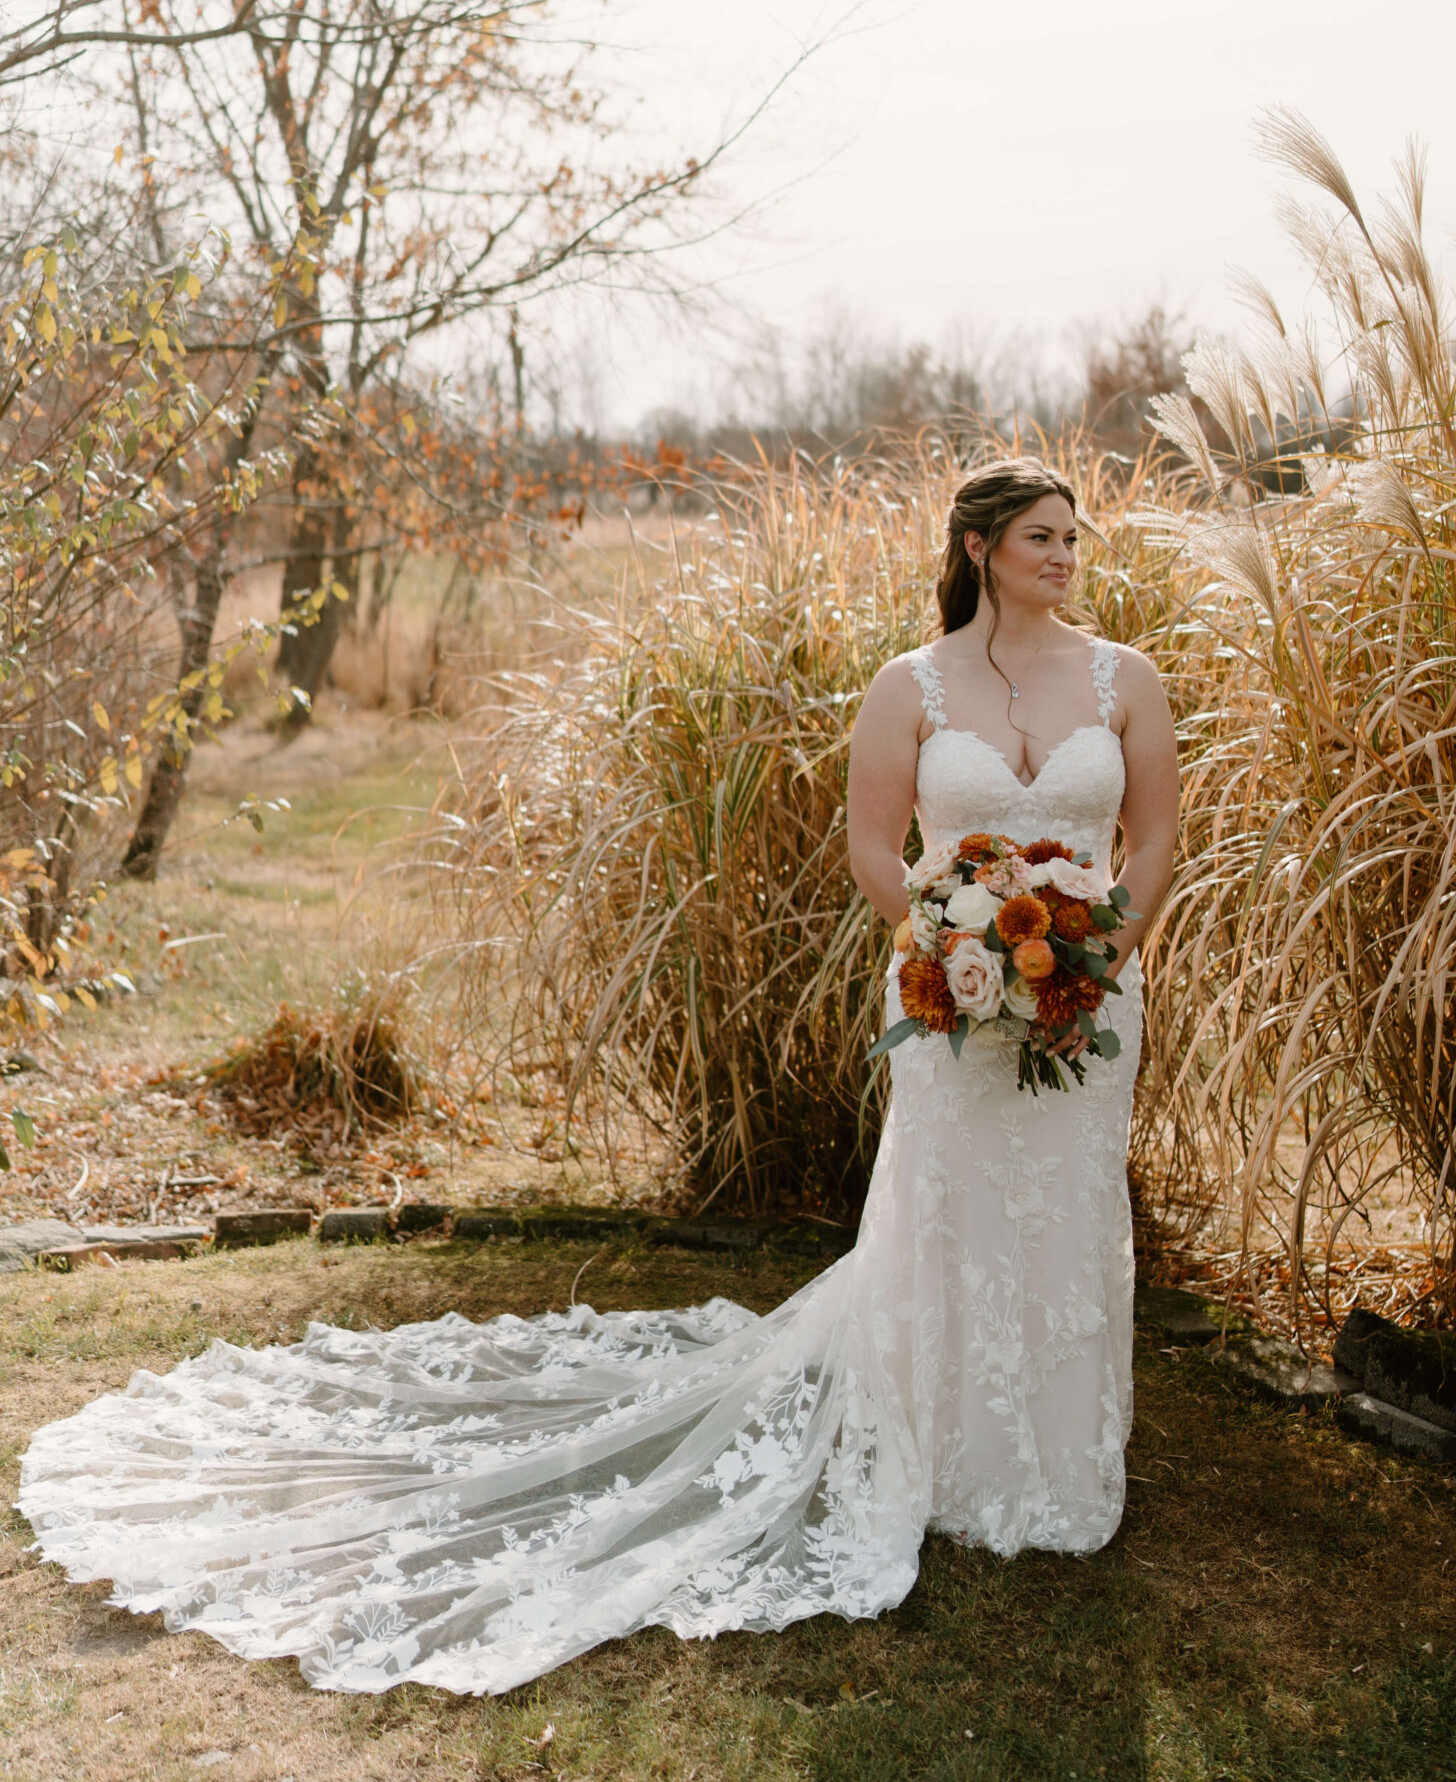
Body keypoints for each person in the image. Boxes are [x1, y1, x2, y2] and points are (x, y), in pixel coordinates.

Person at [17, 459, 1179, 1695]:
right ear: (981, 545)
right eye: (1042, 537)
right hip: (944, 993)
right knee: (948, 1210)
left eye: (1072, 536)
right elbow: (871, 843)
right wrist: (953, 945)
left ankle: (1056, 1470)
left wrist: (1096, 964)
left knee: (1062, 1209)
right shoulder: (910, 684)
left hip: (1089, 1002)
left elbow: (1153, 836)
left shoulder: (1126, 679)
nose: (1065, 554)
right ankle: (940, 1458)